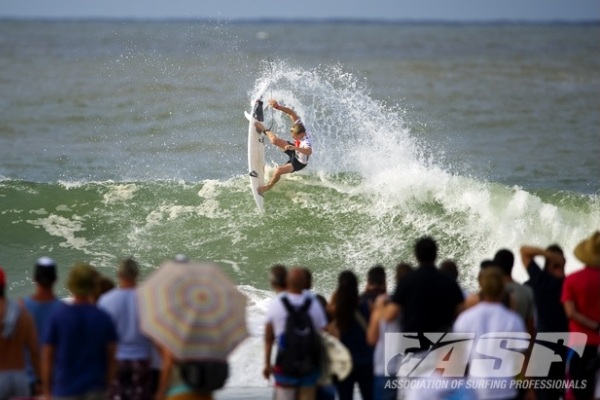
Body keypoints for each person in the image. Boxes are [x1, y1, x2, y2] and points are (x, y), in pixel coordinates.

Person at [42, 262, 118, 400]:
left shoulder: (58, 316)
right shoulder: (103, 317)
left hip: (65, 388)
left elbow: (48, 356)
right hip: (95, 388)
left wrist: (47, 392)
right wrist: (106, 385)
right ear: (93, 285)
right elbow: (112, 357)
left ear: (71, 284)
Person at [453, 267, 527, 400]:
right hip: (505, 388)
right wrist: (530, 390)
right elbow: (522, 358)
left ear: (481, 287)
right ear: (502, 289)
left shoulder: (465, 319)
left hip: (476, 389)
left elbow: (457, 358)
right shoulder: (513, 319)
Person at [264, 268, 328, 400]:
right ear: (305, 283)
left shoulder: (277, 303)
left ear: (287, 282)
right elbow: (324, 335)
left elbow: (268, 337)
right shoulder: (313, 303)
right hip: (309, 368)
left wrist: (267, 364)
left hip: (284, 368)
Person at [97, 257, 154, 400]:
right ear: (136, 274)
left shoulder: (106, 300)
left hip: (116, 361)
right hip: (141, 359)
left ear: (119, 275)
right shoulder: (148, 299)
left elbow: (102, 336)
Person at [384, 236, 464, 335]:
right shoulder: (449, 280)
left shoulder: (407, 280)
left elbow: (390, 315)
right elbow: (460, 312)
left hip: (415, 344)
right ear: (435, 254)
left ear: (416, 256)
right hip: (443, 342)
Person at [519, 243, 568, 400]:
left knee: (547, 393)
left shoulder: (540, 282)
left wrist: (547, 255)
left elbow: (524, 252)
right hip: (565, 348)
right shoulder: (570, 284)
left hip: (546, 346)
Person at [561, 231, 600, 400]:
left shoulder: (572, 280)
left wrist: (593, 325)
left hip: (577, 344)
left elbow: (570, 313)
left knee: (575, 391)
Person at [367, 262, 412, 400]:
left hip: (385, 367)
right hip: (412, 368)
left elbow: (372, 338)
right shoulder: (418, 304)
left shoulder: (382, 303)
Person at [327, 270, 374, 400]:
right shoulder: (366, 306)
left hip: (344, 363)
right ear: (357, 285)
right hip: (365, 361)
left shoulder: (335, 310)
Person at [21, 256, 63, 396]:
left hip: (27, 381)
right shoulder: (63, 310)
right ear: (55, 279)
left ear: (34, 278)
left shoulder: (21, 307)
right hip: (56, 382)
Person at [254, 98, 313, 195]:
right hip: (294, 149)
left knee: (278, 170)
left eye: (295, 137)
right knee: (274, 140)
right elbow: (291, 113)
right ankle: (264, 130)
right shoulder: (299, 125)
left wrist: (295, 148)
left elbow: (309, 151)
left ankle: (268, 186)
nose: (292, 137)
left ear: (302, 135)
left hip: (299, 162)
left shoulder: (306, 141)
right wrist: (278, 107)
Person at [0, 266, 41, 400]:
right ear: (5, 284)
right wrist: (39, 380)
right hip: (20, 378)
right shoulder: (22, 312)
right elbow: (34, 350)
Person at [493, 249, 536, 334]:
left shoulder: (491, 292)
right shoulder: (526, 291)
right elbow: (530, 326)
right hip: (520, 343)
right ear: (512, 264)